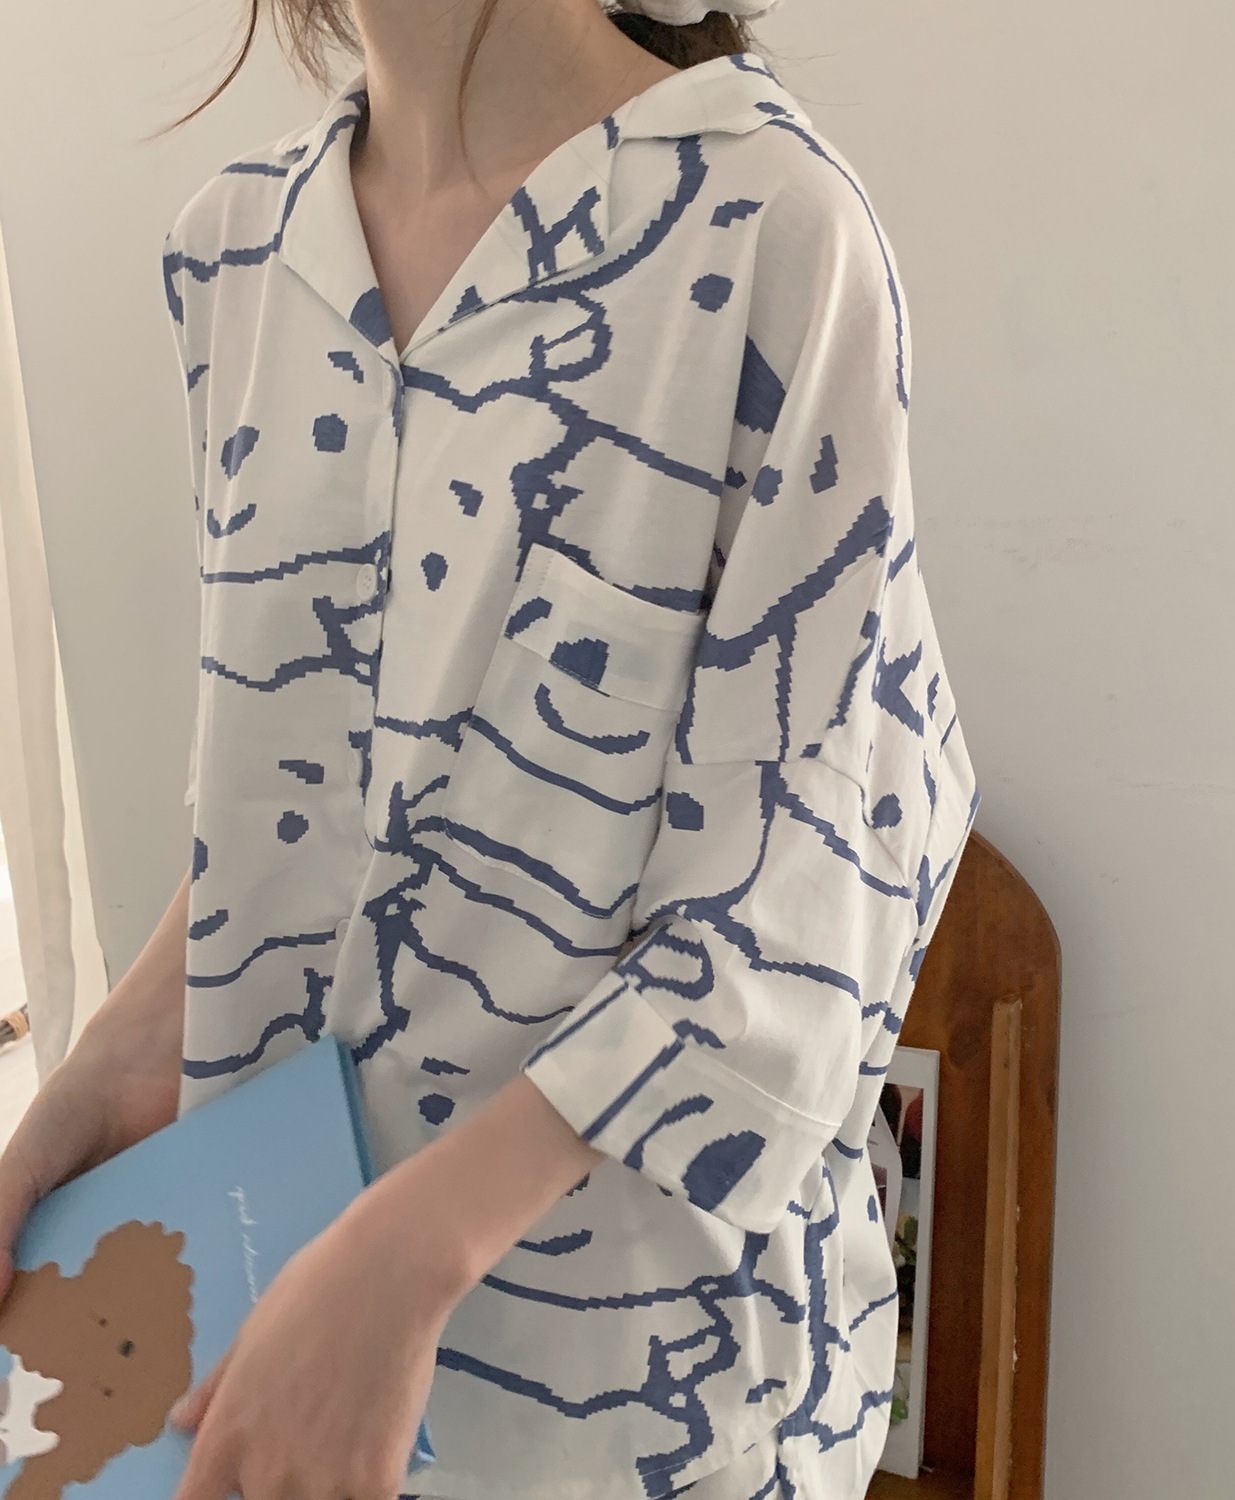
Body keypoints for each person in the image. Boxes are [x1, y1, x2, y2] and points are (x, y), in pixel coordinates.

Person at [0, 0, 977, 1494]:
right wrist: (74, 1103)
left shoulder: (764, 227)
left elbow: (815, 885)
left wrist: (412, 1251)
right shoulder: (236, 253)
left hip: (631, 1390)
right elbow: (287, 817)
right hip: (280, 1342)